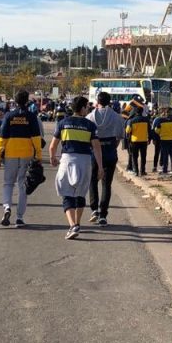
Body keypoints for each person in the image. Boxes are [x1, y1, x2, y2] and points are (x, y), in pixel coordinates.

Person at [49, 96, 103, 240]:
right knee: (80, 193)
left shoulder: (63, 123)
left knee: (67, 193)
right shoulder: (90, 125)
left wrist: (52, 158)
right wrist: (100, 167)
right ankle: (77, 223)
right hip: (85, 161)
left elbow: (53, 145)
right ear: (83, 108)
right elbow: (97, 148)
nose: (88, 109)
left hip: (67, 160)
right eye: (87, 106)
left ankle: (73, 225)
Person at [0, 89, 43, 227]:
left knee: (8, 183)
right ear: (27, 101)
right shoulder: (31, 116)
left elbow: (1, 138)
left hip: (10, 154)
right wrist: (38, 155)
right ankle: (19, 218)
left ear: (15, 101)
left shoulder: (9, 116)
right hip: (27, 153)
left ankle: (7, 207)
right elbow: (36, 138)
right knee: (22, 184)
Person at [86, 91, 124, 224]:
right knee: (106, 184)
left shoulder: (90, 117)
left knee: (92, 181)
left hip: (94, 152)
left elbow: (87, 137)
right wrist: (112, 146)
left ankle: (94, 209)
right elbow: (119, 137)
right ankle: (103, 214)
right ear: (110, 101)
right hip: (110, 151)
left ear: (97, 101)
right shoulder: (117, 117)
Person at [124, 101, 151, 176]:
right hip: (144, 140)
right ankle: (143, 171)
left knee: (134, 157)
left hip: (134, 141)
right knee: (143, 157)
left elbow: (127, 131)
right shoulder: (146, 120)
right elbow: (149, 130)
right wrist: (149, 139)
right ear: (142, 112)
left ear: (135, 112)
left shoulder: (132, 121)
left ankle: (136, 171)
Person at [152, 106, 172, 174]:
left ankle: (165, 169)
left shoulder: (161, 120)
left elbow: (157, 130)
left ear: (165, 112)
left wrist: (161, 132)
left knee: (165, 154)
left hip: (164, 139)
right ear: (171, 112)